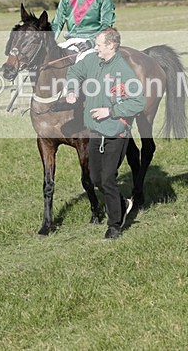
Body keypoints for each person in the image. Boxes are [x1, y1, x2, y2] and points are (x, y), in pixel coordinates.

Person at [65, 27, 144, 240]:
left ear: (111, 45)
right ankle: (122, 203)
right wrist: (72, 89)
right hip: (95, 132)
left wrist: (110, 111)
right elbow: (74, 72)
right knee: (96, 178)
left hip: (116, 133)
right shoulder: (92, 61)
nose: (96, 47)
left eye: (99, 44)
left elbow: (137, 102)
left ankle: (114, 225)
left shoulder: (123, 70)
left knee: (108, 179)